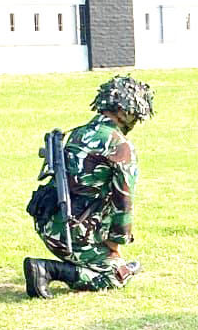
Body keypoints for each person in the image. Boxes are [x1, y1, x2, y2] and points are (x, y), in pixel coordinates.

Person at [24, 74, 154, 298]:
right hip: (72, 233)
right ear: (127, 112)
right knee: (115, 276)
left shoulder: (78, 132)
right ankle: (47, 270)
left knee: (109, 263)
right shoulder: (120, 146)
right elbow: (124, 202)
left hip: (48, 223)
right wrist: (115, 245)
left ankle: (81, 261)